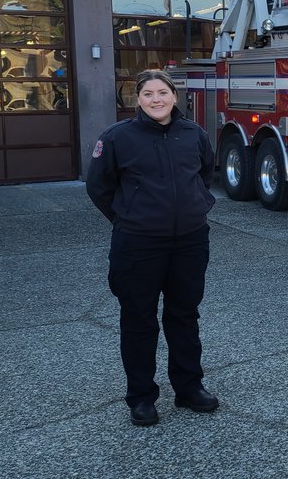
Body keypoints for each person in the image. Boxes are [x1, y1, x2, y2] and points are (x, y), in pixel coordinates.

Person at [86, 69, 219, 426]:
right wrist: (128, 218)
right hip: (138, 245)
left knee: (184, 316)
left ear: (175, 96)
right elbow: (99, 187)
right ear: (138, 99)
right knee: (138, 321)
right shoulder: (118, 138)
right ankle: (142, 397)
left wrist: (196, 205)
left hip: (189, 242)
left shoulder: (194, 134)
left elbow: (206, 174)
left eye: (163, 92)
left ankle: (189, 387)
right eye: (148, 93)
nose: (156, 99)